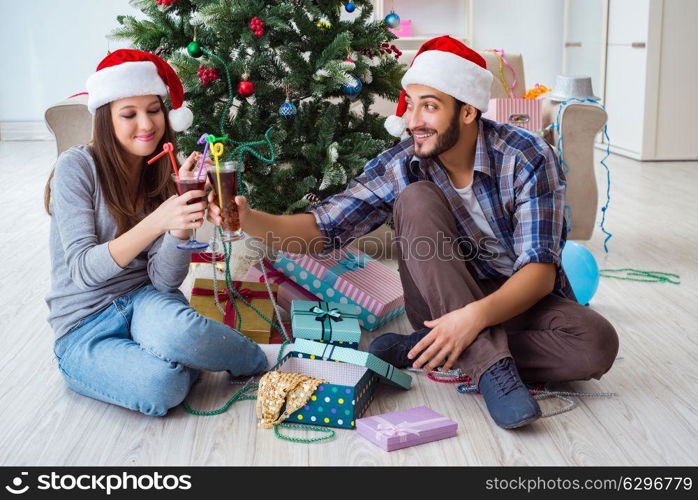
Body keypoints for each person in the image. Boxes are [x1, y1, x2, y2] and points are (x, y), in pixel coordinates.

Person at [207, 36, 619, 429]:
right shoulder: (403, 165)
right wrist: (248, 219)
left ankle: (426, 348)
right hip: (439, 298)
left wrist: (472, 319)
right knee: (416, 199)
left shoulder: (527, 156)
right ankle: (492, 369)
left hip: (515, 298)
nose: (412, 121)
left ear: (468, 111)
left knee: (597, 343)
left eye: (429, 107)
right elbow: (322, 229)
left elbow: (540, 272)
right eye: (411, 106)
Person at [45, 49, 268, 417]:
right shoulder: (76, 167)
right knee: (162, 386)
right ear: (106, 119)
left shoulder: (167, 173)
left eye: (153, 110)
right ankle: (174, 358)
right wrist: (159, 221)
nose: (146, 124)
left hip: (145, 299)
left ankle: (257, 360)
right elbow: (84, 271)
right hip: (83, 325)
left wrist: (179, 229)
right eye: (129, 114)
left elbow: (163, 282)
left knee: (185, 335)